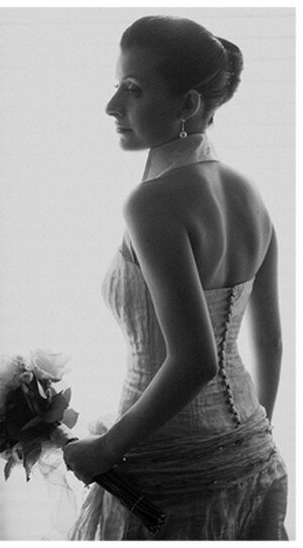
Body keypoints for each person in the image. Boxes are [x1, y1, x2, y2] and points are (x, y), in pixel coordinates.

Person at [63, 16, 287, 540]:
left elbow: (195, 359)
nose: (113, 106)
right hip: (257, 458)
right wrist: (253, 441)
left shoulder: (152, 202)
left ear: (188, 106)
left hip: (172, 474)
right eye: (117, 86)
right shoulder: (250, 194)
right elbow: (271, 342)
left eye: (133, 90)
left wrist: (105, 449)